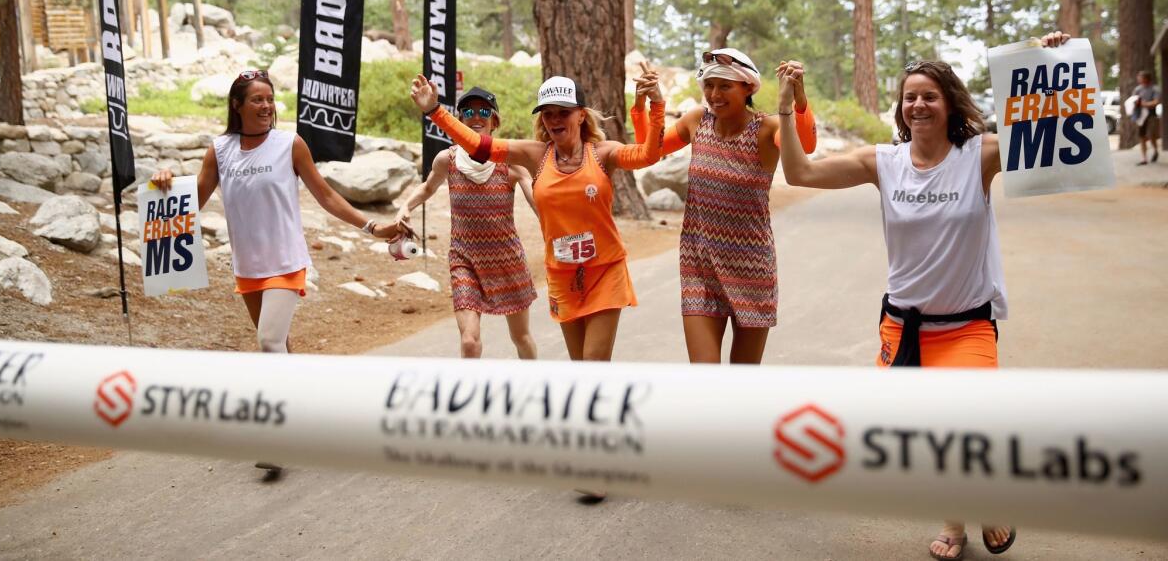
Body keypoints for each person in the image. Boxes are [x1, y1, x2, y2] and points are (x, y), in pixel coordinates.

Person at [773, 31, 1079, 557]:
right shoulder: (882, 163)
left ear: (949, 103)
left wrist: (1047, 63)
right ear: (900, 107)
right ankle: (956, 519)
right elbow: (799, 173)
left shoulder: (979, 155)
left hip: (966, 325)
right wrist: (784, 109)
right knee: (926, 436)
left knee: (973, 425)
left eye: (929, 96)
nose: (918, 104)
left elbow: (1053, 137)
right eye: (909, 96)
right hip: (905, 327)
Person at [412, 70, 664, 501]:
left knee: (592, 366)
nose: (554, 120)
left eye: (563, 112)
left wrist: (653, 106)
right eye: (547, 113)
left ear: (580, 115)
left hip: (604, 271)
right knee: (580, 368)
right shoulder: (534, 155)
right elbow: (479, 146)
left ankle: (596, 464)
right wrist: (436, 110)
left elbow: (649, 155)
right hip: (563, 277)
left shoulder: (602, 153)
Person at [150, 70, 410, 475]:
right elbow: (192, 202)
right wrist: (166, 183)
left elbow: (325, 195)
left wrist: (372, 227)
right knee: (281, 349)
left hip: (287, 262)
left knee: (268, 341)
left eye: (270, 99)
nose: (267, 106)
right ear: (237, 106)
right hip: (248, 268)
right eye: (257, 100)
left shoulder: (290, 144)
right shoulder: (219, 150)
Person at [629, 50, 818, 364]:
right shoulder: (695, 121)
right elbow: (649, 151)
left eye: (725, 86)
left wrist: (798, 101)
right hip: (699, 266)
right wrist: (651, 104)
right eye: (709, 85)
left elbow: (806, 146)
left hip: (751, 267)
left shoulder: (767, 129)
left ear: (747, 88)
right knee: (706, 380)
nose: (714, 95)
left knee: (741, 383)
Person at [394, 86, 540, 360]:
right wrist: (405, 206)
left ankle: (534, 384)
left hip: (507, 260)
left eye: (484, 111)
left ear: (495, 121)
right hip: (465, 261)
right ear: (459, 121)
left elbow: (539, 208)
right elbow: (427, 188)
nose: (476, 116)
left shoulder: (511, 163)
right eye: (468, 112)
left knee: (521, 338)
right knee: (469, 343)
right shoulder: (446, 161)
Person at [1133, 70, 1161, 165]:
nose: (1138, 79)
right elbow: (1133, 100)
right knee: (1142, 136)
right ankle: (1144, 158)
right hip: (1141, 117)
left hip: (1151, 116)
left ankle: (1155, 150)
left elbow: (1156, 102)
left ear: (1146, 78)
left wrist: (1144, 104)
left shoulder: (1155, 89)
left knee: (1151, 136)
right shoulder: (1137, 89)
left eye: (1140, 77)